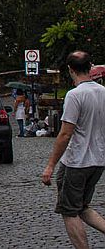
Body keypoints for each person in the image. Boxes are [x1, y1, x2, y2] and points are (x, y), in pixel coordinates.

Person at [41, 51, 105, 249]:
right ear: (90, 66)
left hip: (77, 162)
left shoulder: (75, 95)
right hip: (98, 161)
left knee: (69, 211)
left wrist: (50, 166)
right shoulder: (103, 92)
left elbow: (65, 134)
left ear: (70, 70)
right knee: (82, 207)